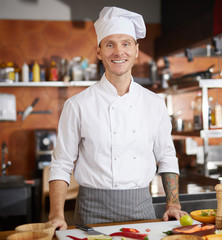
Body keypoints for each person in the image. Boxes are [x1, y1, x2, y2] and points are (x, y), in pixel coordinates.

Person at [48, 6, 187, 230]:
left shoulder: (154, 103)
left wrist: (173, 203)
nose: (118, 52)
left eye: (126, 44)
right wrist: (56, 215)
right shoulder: (77, 105)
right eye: (110, 44)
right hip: (91, 211)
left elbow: (167, 156)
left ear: (136, 50)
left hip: (142, 210)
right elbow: (61, 164)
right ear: (99, 51)